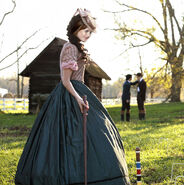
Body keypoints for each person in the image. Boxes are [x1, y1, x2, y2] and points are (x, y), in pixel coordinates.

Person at [15, 8, 130, 185]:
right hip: (69, 94)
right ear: (75, 29)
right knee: (67, 136)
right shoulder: (69, 48)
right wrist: (77, 98)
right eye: (86, 30)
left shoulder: (79, 48)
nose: (88, 34)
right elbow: (65, 80)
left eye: (90, 31)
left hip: (80, 91)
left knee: (96, 132)